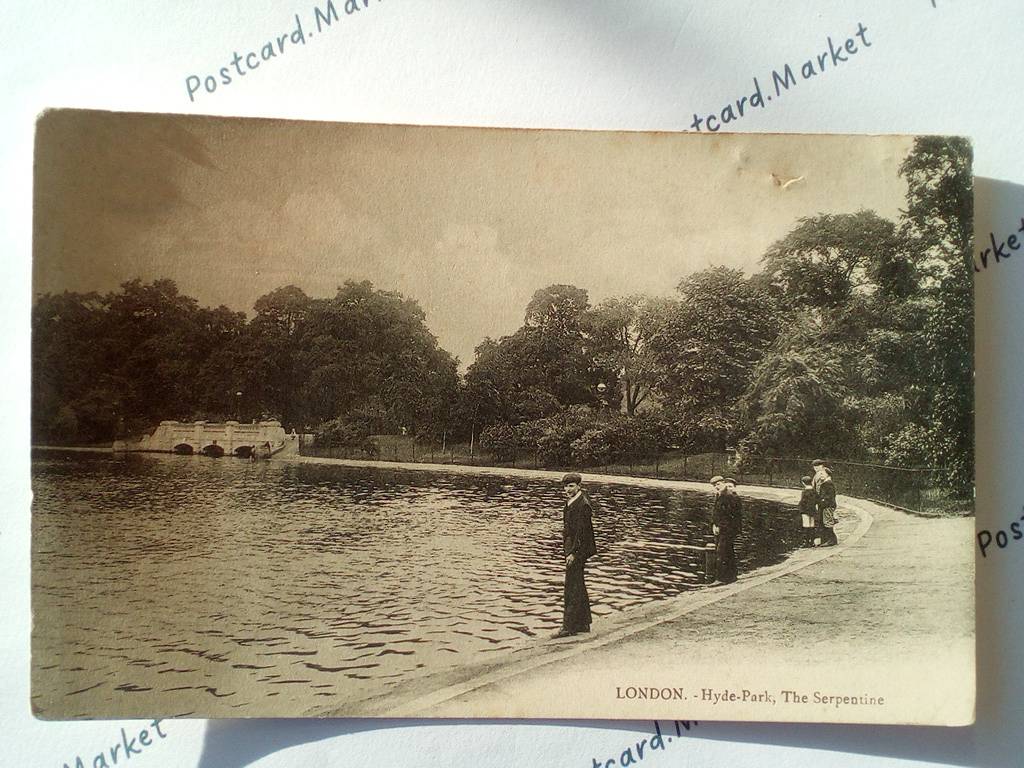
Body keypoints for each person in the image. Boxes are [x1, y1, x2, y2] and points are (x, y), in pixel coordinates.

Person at [553, 472, 598, 639]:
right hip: (573, 548)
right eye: (566, 486)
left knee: (571, 586)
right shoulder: (572, 502)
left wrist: (573, 553)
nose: (567, 489)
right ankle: (583, 623)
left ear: (579, 486)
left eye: (571, 486)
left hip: (578, 550)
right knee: (578, 583)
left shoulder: (582, 505)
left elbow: (582, 533)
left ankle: (569, 626)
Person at [710, 475, 743, 584]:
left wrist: (719, 526)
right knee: (727, 551)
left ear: (723, 483)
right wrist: (714, 524)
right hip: (723, 528)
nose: (716, 487)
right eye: (714, 485)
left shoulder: (728, 496)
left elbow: (728, 515)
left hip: (728, 529)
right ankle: (731, 576)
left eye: (718, 484)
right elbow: (716, 513)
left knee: (721, 552)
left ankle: (721, 578)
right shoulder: (720, 495)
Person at [812, 459, 839, 546]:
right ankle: (826, 539)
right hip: (824, 505)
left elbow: (828, 496)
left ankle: (832, 540)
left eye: (823, 474)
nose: (821, 476)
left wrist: (822, 501)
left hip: (827, 505)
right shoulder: (825, 482)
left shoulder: (828, 483)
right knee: (824, 521)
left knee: (827, 522)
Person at [798, 475, 817, 546]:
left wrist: (800, 508)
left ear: (803, 483)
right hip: (812, 510)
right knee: (812, 525)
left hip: (805, 511)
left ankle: (806, 542)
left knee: (806, 525)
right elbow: (816, 500)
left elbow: (803, 502)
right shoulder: (814, 491)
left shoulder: (805, 492)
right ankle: (812, 541)